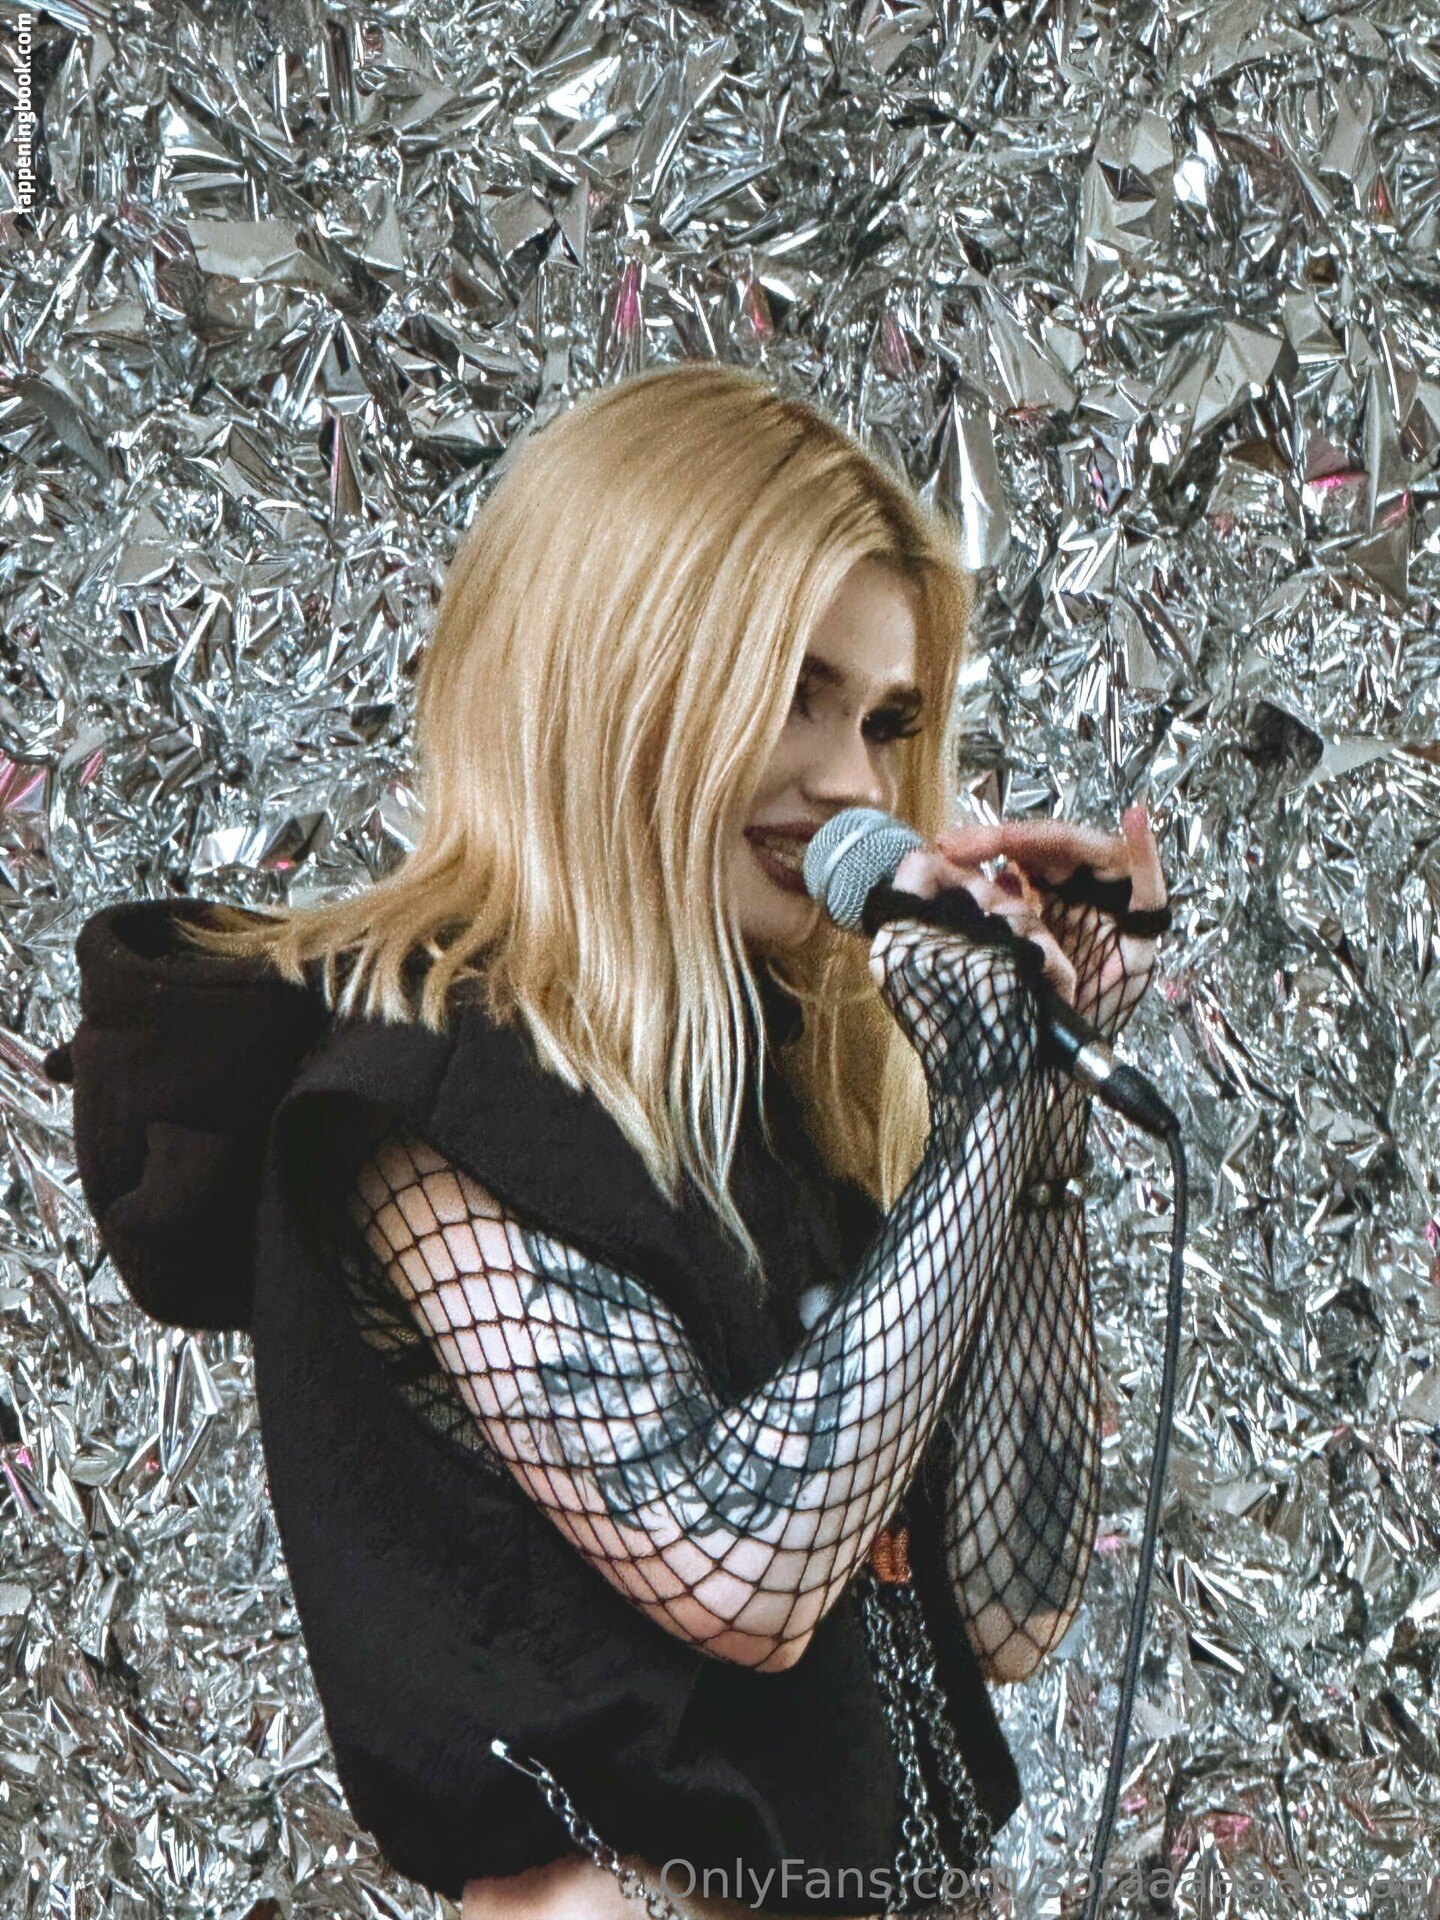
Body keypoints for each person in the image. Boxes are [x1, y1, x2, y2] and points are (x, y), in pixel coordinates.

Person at [51, 361, 1168, 1920]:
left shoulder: (783, 1100)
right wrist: (982, 1112)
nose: (855, 785)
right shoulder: (422, 1091)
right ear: (621, 671)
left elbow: (1010, 1611)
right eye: (793, 691)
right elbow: (741, 1573)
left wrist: (1039, 1104)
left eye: (886, 720)